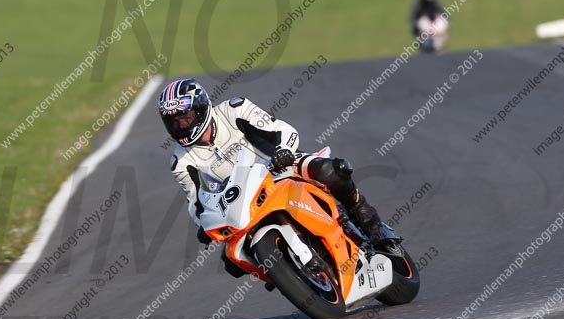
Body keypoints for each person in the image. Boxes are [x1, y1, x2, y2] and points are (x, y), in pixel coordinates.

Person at [159, 78, 399, 277]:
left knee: (330, 170)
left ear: (201, 110)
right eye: (175, 122)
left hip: (280, 167)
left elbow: (281, 129)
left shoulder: (234, 109)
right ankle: (285, 274)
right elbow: (195, 202)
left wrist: (283, 150)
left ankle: (371, 222)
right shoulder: (181, 161)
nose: (182, 126)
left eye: (186, 118)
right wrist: (203, 225)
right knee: (232, 262)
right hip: (241, 202)